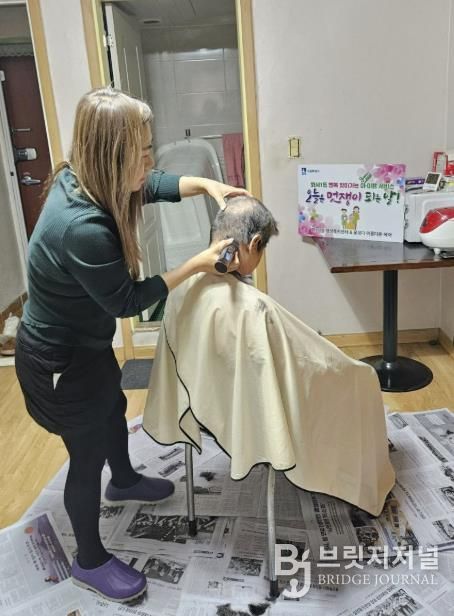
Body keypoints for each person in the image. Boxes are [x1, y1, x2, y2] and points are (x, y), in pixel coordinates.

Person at [14, 87, 249, 604]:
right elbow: (127, 300)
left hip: (86, 343)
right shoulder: (81, 226)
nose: (148, 161)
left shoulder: (89, 177)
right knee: (86, 452)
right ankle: (89, 561)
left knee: (114, 406)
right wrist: (198, 263)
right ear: (108, 155)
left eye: (148, 147)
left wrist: (208, 184)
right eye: (139, 152)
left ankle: (121, 480)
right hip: (56, 359)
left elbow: (152, 185)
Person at [143, 196, 395, 517]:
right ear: (254, 244)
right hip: (256, 406)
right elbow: (306, 362)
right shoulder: (255, 309)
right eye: (262, 250)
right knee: (362, 379)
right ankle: (359, 470)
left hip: (206, 398)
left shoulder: (180, 287)